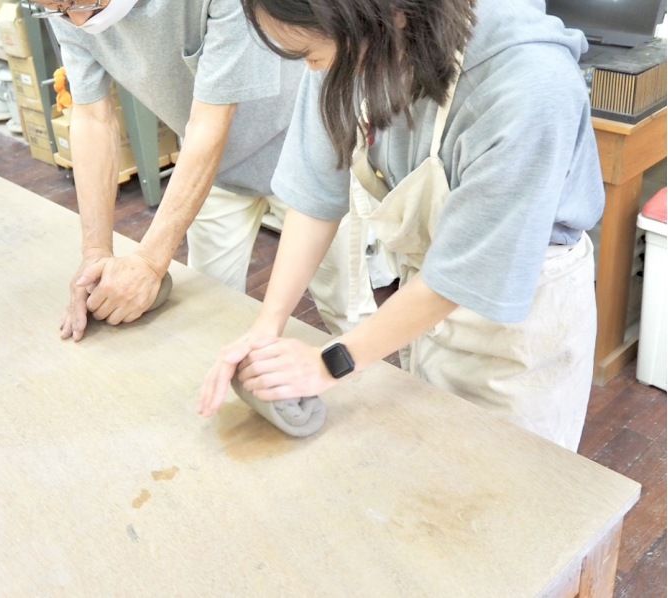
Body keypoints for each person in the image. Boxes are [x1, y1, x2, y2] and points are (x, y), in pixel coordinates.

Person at [199, 0, 605, 451]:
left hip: (519, 321)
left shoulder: (529, 85)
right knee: (431, 463)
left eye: (313, 54)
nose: (312, 72)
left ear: (385, 16)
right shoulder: (353, 47)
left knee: (510, 484)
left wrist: (329, 364)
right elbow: (315, 196)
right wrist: (266, 327)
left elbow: (464, 275)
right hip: (424, 295)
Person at [35, 0, 377, 341]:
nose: (76, 20)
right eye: (57, 9)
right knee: (208, 312)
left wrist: (150, 262)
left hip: (307, 154)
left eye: (82, 2)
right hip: (214, 172)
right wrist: (94, 255)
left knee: (347, 312)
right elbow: (92, 118)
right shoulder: (64, 9)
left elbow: (211, 122)